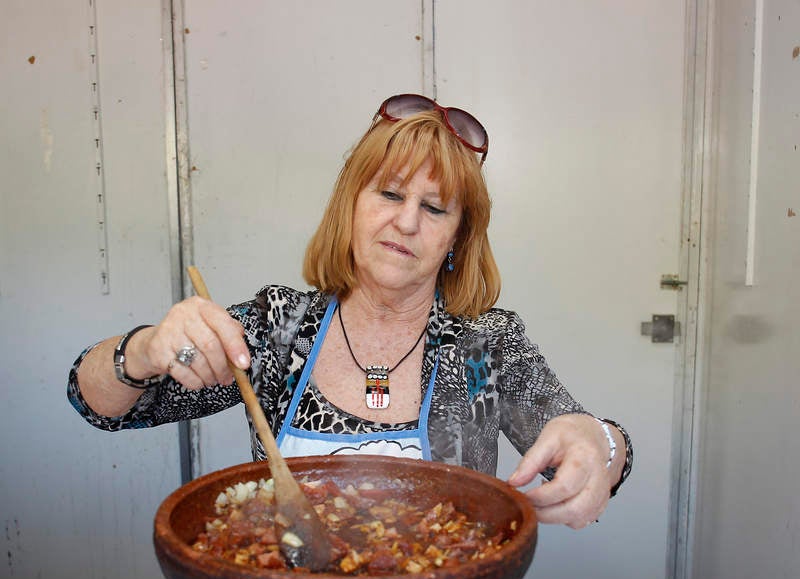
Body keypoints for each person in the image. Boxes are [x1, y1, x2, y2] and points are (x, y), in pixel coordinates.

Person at [69, 93, 632, 532]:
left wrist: (601, 444)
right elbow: (99, 405)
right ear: (352, 206)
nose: (407, 222)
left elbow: (584, 455)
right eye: (390, 195)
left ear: (457, 238)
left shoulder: (482, 351)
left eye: (434, 208)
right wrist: (143, 350)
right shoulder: (277, 330)